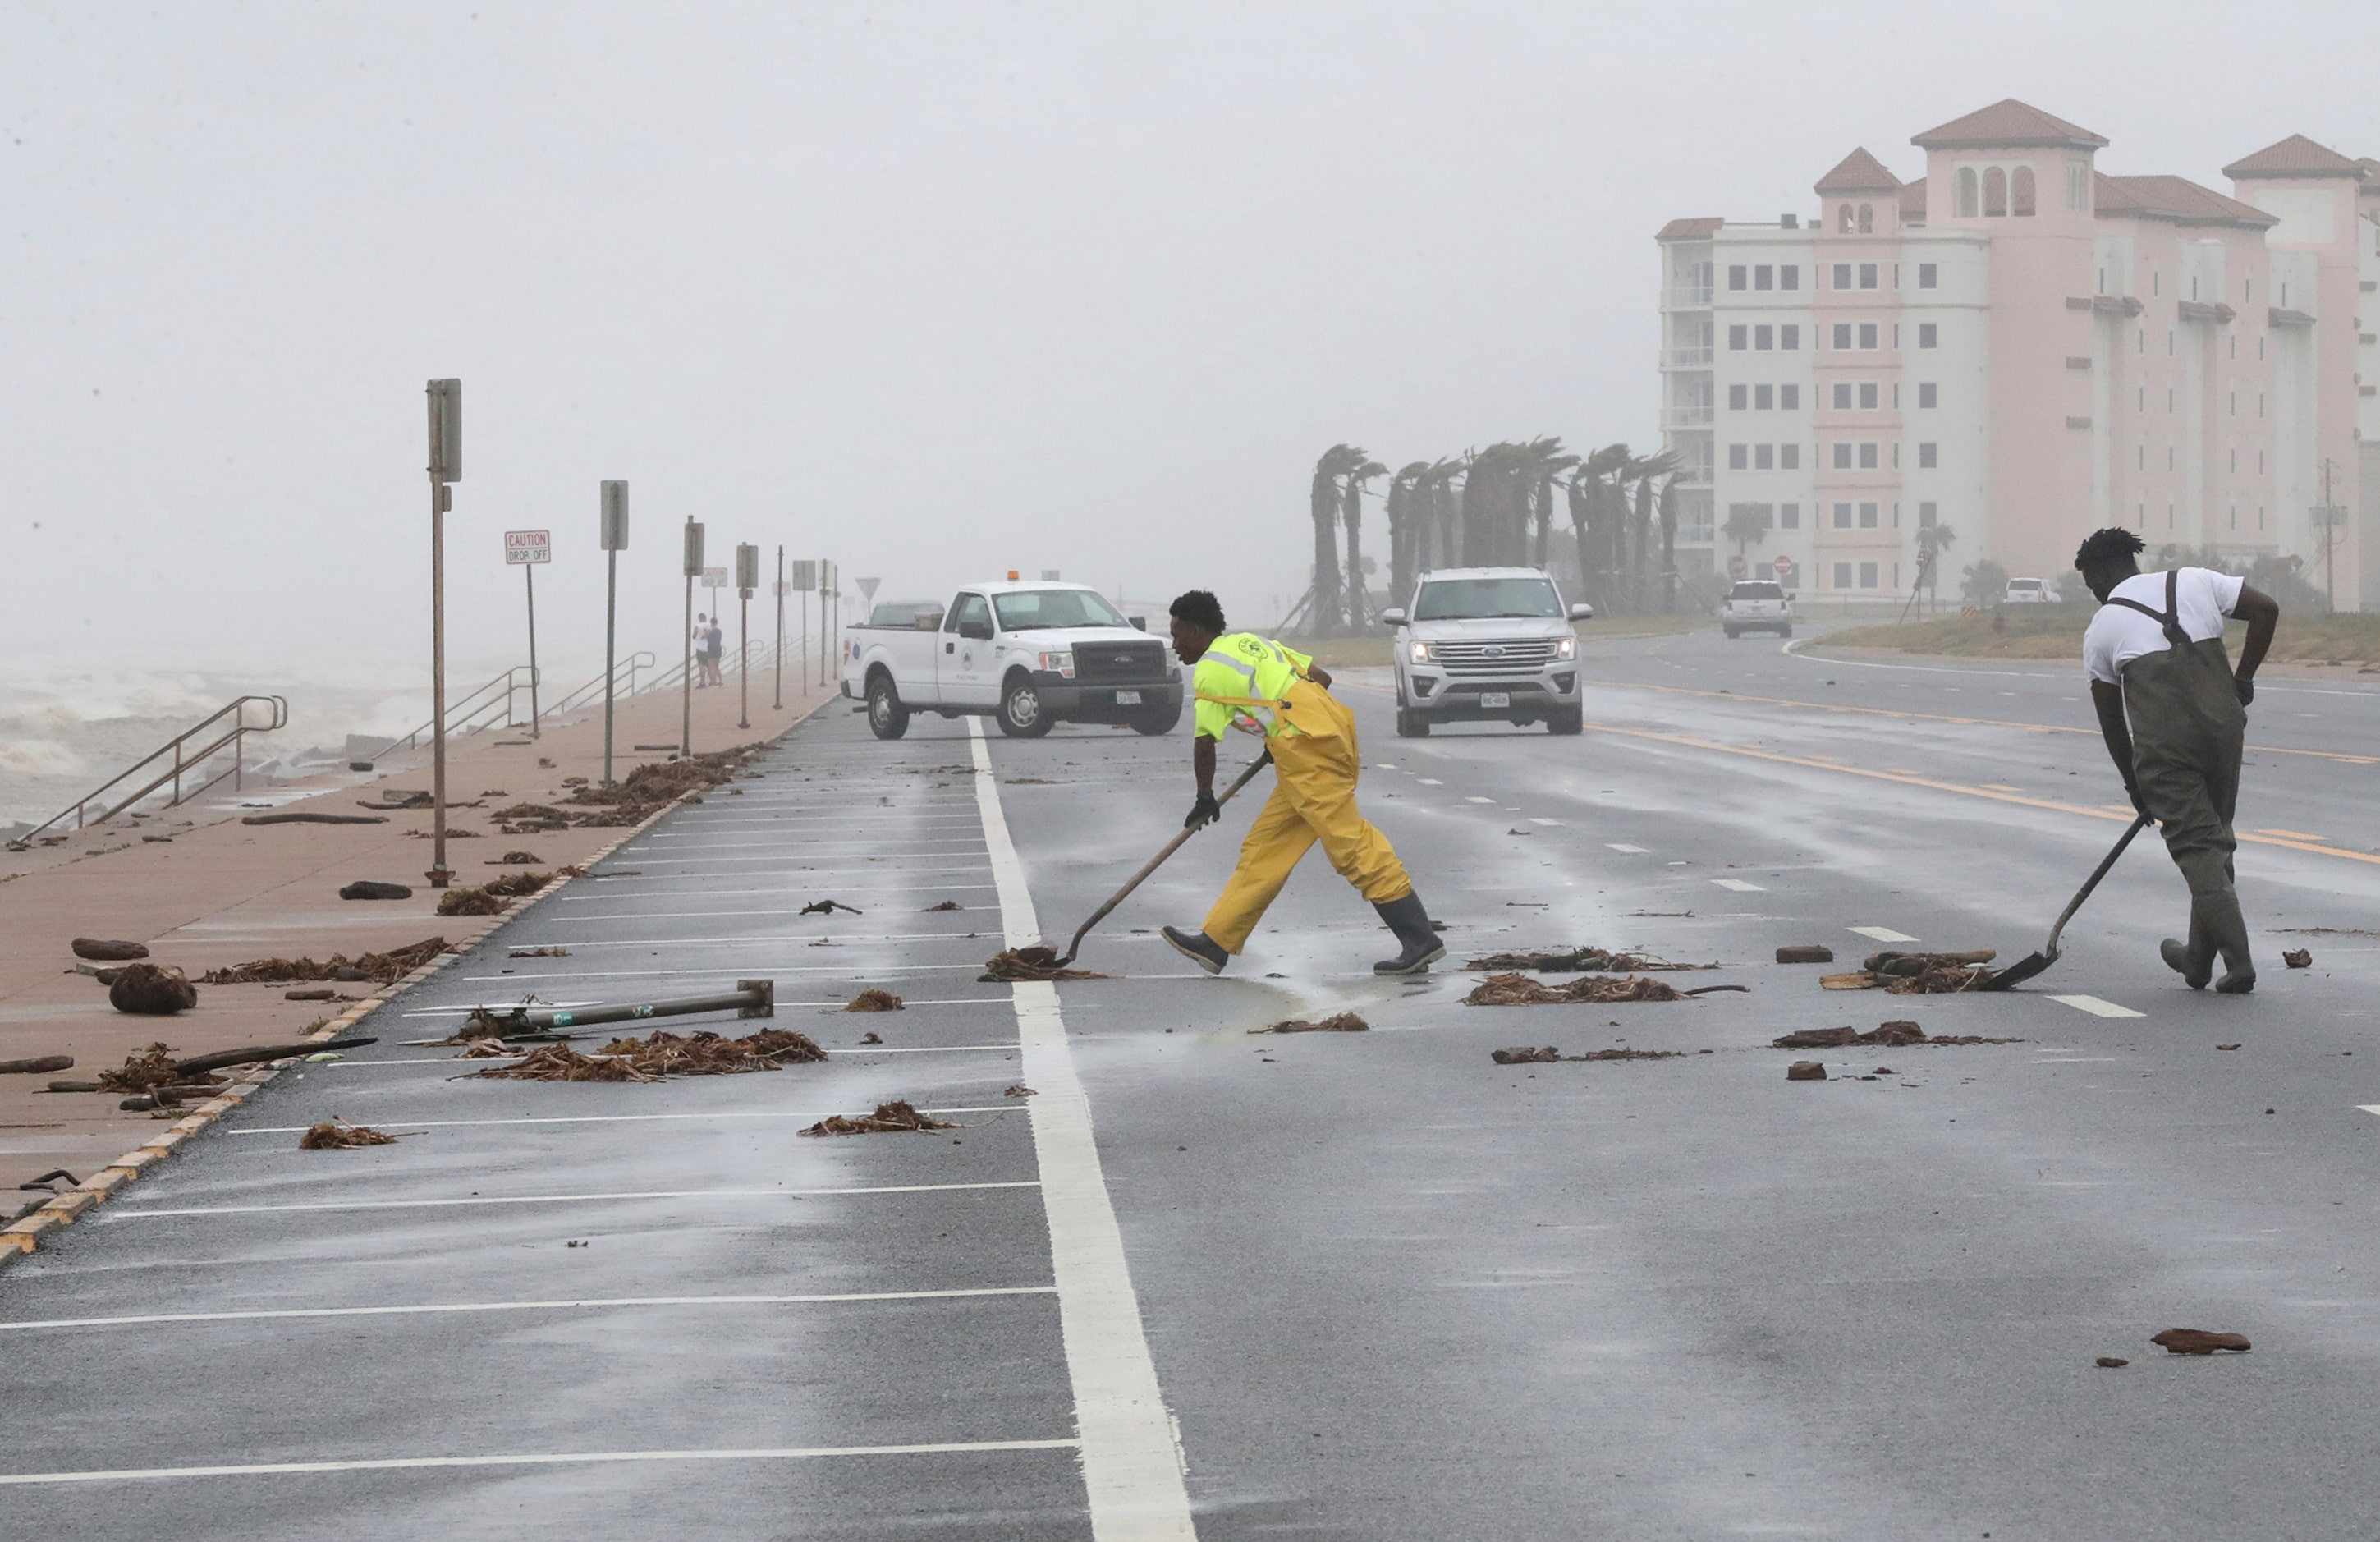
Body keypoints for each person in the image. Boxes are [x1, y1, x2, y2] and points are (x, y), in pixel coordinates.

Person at [1158, 589, 1444, 976]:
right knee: (1267, 846)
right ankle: (1217, 941)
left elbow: (1204, 742)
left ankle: (1419, 939)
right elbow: (1321, 679)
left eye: (1177, 635)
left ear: (1194, 630)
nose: (1175, 645)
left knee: (1349, 844)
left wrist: (1205, 796)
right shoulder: (1255, 644)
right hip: (1321, 735)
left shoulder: (1209, 669)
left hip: (1308, 749)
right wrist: (1280, 728)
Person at [2075, 528, 2278, 994]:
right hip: (2224, 730)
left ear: (2104, 572)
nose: (2095, 596)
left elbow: (2111, 721)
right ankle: (2196, 961)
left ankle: (2239, 962)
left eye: (2092, 585)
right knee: (2214, 840)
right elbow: (2266, 609)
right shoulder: (2195, 580)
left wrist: (2134, 785)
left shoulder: (2104, 626)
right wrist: (2243, 680)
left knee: (2198, 848)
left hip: (2166, 751)